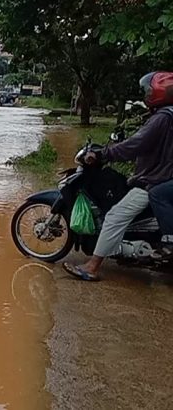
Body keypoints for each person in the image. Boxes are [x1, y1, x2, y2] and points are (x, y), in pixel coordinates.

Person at [63, 71, 173, 281]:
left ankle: (92, 267)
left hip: (155, 180)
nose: (146, 94)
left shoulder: (162, 118)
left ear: (159, 91)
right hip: (162, 175)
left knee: (114, 217)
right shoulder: (167, 115)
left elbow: (136, 145)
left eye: (148, 91)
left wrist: (104, 154)